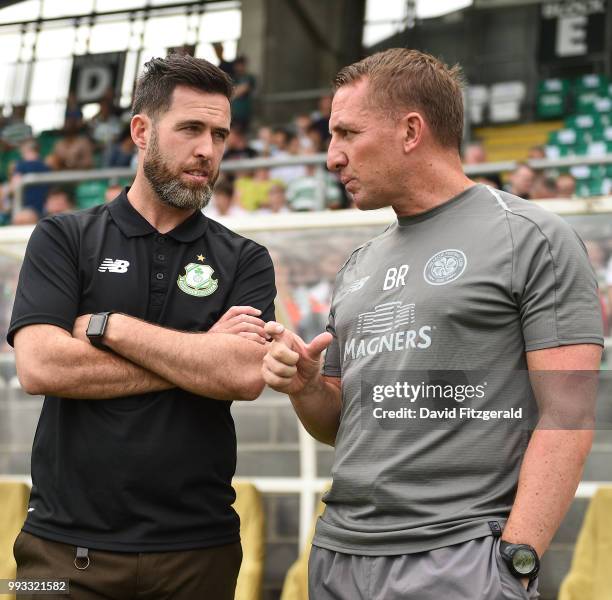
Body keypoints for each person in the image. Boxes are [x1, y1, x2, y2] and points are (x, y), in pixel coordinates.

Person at [262, 48, 603, 600]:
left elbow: (570, 413)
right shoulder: (357, 265)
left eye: (347, 133)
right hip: (338, 556)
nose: (332, 158)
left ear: (411, 130)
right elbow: (339, 427)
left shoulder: (531, 236)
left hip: (459, 558)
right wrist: (305, 387)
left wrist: (515, 561)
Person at [9, 54, 276, 600]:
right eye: (191, 129)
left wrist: (108, 328)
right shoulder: (63, 238)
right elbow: (40, 365)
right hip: (59, 548)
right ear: (141, 131)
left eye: (220, 134)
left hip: (198, 551)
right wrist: (200, 357)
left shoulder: (247, 258)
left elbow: (245, 376)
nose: (208, 150)